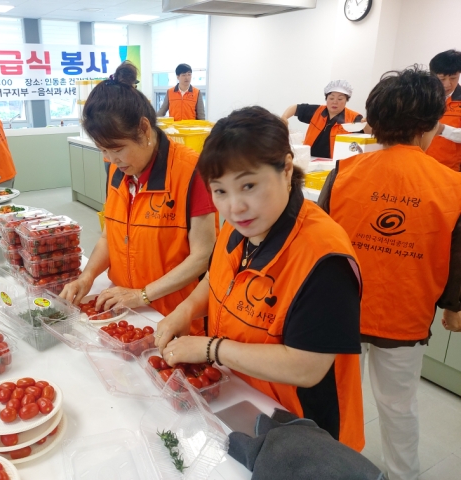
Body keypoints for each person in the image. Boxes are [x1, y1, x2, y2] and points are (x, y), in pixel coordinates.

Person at [155, 106, 365, 451]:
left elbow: (306, 367)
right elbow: (219, 278)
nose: (235, 206)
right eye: (220, 191)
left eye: (248, 185)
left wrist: (211, 348)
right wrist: (186, 310)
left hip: (301, 427)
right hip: (243, 399)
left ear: (285, 169)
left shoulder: (324, 258)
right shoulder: (243, 226)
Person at [318, 66, 461, 480]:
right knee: (399, 407)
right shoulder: (452, 187)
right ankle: (404, 476)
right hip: (406, 318)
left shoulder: (344, 174)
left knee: (338, 401)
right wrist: (453, 308)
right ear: (433, 124)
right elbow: (456, 258)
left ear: (374, 123)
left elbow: (319, 244)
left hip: (342, 313)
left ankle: (332, 468)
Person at [60, 62, 217, 335]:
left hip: (172, 318)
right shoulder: (118, 170)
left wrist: (143, 295)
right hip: (123, 312)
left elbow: (203, 255)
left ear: (144, 130)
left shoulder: (192, 171)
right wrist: (87, 277)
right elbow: (109, 237)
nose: (109, 159)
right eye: (102, 150)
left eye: (117, 148)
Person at [281, 80, 363, 158]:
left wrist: (368, 123)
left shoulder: (354, 118)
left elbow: (366, 140)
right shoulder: (317, 111)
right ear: (326, 99)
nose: (335, 102)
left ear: (346, 101)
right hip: (310, 159)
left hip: (336, 163)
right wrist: (284, 117)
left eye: (340, 99)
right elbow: (296, 108)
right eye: (331, 98)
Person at [426, 49, 461, 171]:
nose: (447, 84)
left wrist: (442, 130)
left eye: (453, 78)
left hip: (450, 169)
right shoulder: (422, 97)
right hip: (420, 165)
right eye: (442, 79)